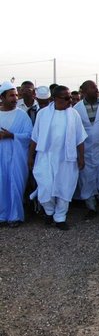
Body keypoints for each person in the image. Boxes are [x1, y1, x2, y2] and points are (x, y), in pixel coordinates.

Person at [29, 85, 87, 230]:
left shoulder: (73, 114)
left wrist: (81, 157)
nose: (70, 100)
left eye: (70, 98)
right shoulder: (43, 114)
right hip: (45, 158)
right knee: (45, 187)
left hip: (66, 159)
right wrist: (30, 157)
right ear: (54, 99)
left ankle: (60, 217)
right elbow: (35, 137)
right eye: (66, 98)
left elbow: (80, 138)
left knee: (64, 188)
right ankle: (49, 211)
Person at [74, 80, 99, 219]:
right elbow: (77, 131)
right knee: (87, 179)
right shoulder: (77, 108)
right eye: (92, 88)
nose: (96, 90)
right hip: (86, 151)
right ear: (84, 91)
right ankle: (91, 207)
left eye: (96, 87)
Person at [0, 82, 33, 227]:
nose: (15, 98)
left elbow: (30, 135)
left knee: (15, 185)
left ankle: (15, 216)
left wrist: (11, 135)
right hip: (1, 157)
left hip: (17, 158)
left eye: (16, 95)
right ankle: (2, 216)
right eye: (11, 95)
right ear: (2, 97)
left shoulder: (22, 115)